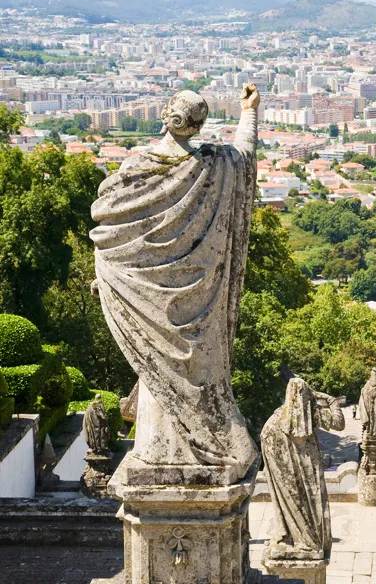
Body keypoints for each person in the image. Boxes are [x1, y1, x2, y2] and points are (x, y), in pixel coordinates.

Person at [90, 85, 260, 476]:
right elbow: (246, 159)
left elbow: (107, 231)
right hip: (199, 312)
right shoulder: (215, 167)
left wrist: (115, 280)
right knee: (195, 376)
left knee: (155, 372)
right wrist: (249, 112)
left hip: (149, 308)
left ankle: (159, 450)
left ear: (166, 114)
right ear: (198, 127)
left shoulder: (135, 172)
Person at [261, 377, 345, 560]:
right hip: (306, 470)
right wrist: (331, 400)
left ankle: (292, 535)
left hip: (283, 470)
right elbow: (339, 423)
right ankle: (303, 539)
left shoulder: (277, 418)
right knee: (307, 502)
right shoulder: (313, 412)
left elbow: (265, 437)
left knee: (290, 500)